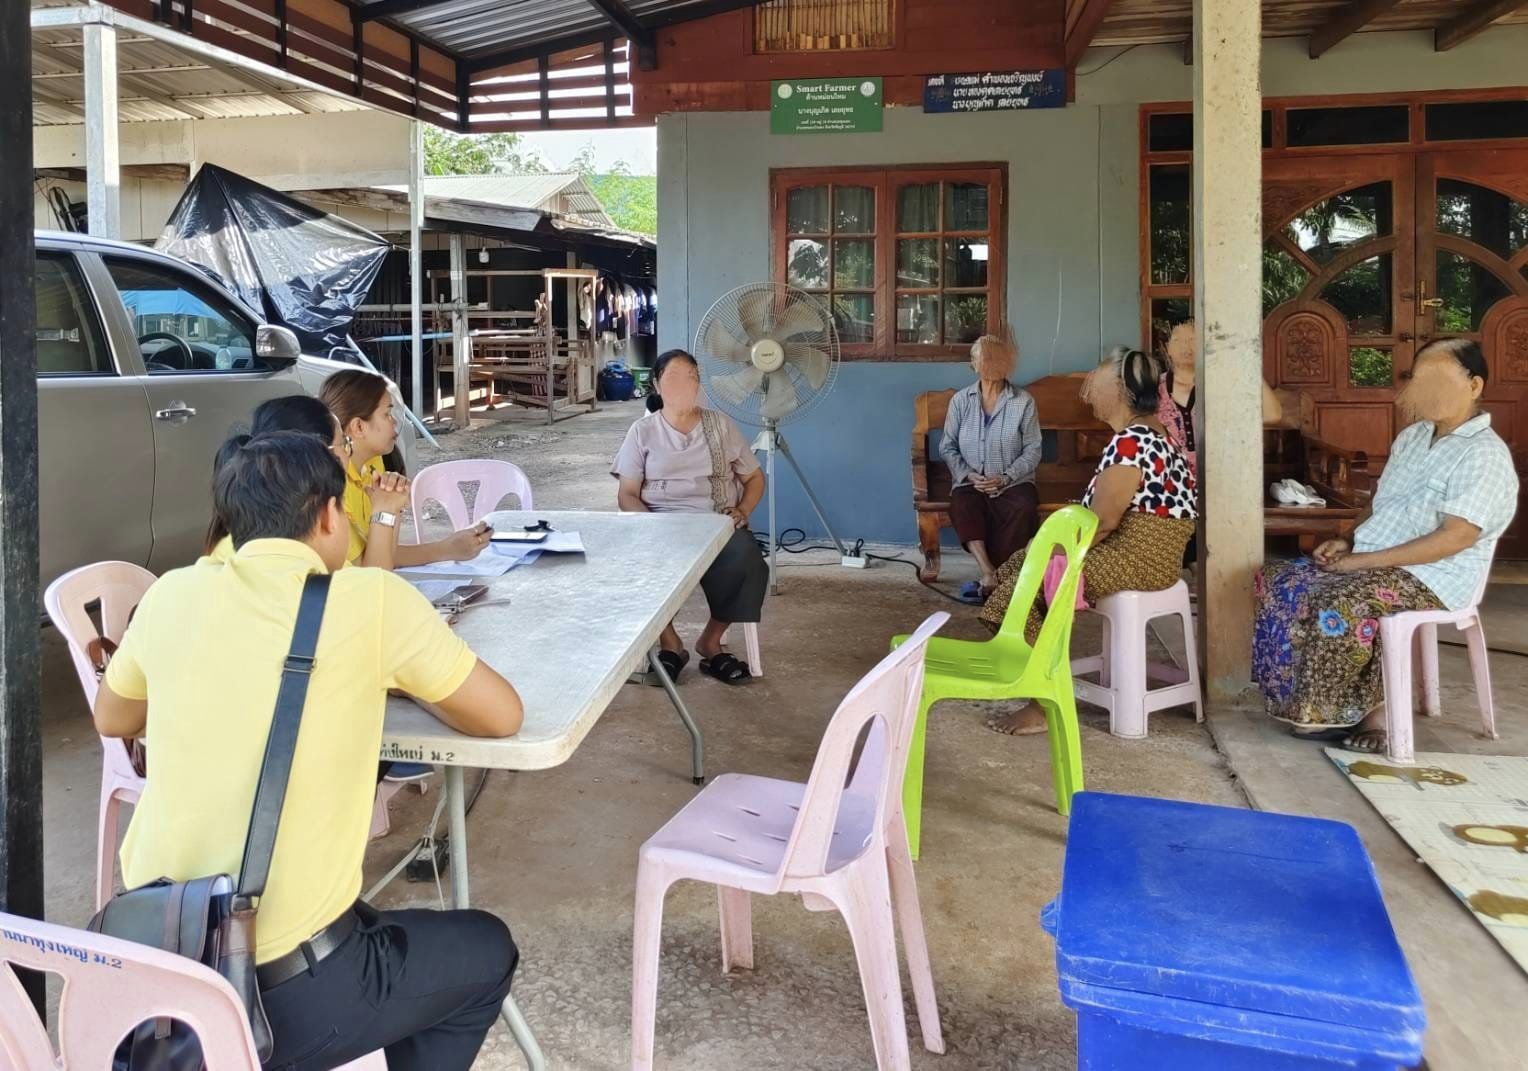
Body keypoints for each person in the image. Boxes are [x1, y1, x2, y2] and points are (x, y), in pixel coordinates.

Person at [93, 430, 526, 1070]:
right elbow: (502, 716)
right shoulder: (371, 601)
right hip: (277, 999)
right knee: (487, 952)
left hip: (161, 958)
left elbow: (113, 715)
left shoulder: (171, 594)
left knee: (369, 918)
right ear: (329, 518)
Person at [1254, 338, 1519, 753]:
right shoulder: (1413, 437)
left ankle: (1374, 717)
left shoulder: (1483, 455)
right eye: (1420, 378)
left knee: (1347, 599)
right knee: (1280, 578)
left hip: (1436, 574)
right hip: (1377, 557)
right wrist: (1345, 541)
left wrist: (1364, 562)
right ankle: (1304, 703)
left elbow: (1457, 537)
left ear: (1474, 385)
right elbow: (1380, 504)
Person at [981, 348, 1197, 735]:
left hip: (1138, 555)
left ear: (1118, 389)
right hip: (1150, 554)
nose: (1088, 391)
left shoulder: (1132, 441)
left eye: (1095, 382)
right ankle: (1030, 675)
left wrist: (1051, 551)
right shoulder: (1155, 433)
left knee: (1028, 587)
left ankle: (1044, 701)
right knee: (1019, 566)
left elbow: (1104, 523)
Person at [613, 349, 768, 685]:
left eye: (691, 378)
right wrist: (650, 523)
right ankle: (671, 644)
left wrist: (742, 511)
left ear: (698, 385)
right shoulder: (642, 432)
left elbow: (754, 478)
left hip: (714, 523)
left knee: (749, 562)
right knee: (638, 566)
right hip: (660, 523)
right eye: (673, 378)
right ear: (656, 384)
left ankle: (711, 642)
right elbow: (627, 493)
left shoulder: (720, 426)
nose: (684, 386)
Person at [203, 394, 409, 565]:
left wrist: (389, 508)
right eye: (344, 443)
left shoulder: (249, 525)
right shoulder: (312, 524)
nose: (348, 453)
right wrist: (385, 513)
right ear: (320, 453)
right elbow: (371, 590)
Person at [320, 369, 493, 570]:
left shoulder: (372, 463)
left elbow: (382, 553)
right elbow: (370, 574)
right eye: (386, 414)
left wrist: (448, 548)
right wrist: (387, 510)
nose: (394, 421)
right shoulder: (333, 485)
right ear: (359, 427)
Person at [939, 333, 1043, 601]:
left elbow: (1033, 449)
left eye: (998, 358)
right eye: (984, 358)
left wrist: (1006, 477)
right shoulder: (961, 401)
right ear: (973, 364)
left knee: (1022, 506)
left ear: (1008, 364)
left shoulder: (1023, 401)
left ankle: (1001, 576)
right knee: (963, 503)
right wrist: (968, 474)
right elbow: (947, 446)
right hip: (971, 481)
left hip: (1013, 481)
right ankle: (988, 572)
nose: (991, 363)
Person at [1158, 318, 1283, 476]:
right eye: (1178, 340)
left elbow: (1273, 415)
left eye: (1192, 339)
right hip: (1169, 481)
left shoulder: (1221, 386)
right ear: (1168, 347)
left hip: (1218, 479)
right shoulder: (1154, 387)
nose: (1186, 346)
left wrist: (1249, 365)